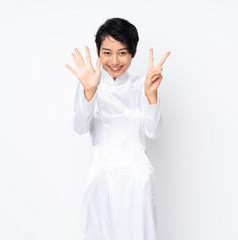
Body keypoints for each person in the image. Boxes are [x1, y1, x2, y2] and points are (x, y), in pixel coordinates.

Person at [65, 17, 170, 240]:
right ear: (97, 51)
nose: (114, 60)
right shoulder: (90, 83)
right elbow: (79, 127)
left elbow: (154, 132)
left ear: (132, 53)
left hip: (137, 180)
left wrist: (151, 95)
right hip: (101, 178)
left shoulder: (142, 85)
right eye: (107, 52)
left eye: (122, 52)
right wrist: (89, 92)